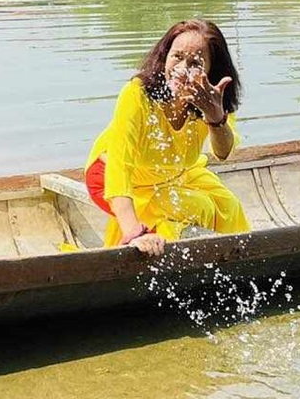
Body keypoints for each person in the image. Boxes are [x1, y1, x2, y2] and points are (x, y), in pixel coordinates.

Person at [84, 19, 249, 256]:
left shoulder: (212, 97)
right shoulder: (137, 94)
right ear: (165, 58)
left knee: (228, 206)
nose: (181, 69)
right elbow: (119, 166)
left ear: (212, 70)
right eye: (177, 57)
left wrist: (215, 116)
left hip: (175, 173)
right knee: (192, 210)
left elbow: (222, 153)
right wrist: (134, 232)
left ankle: (236, 262)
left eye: (195, 63)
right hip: (113, 176)